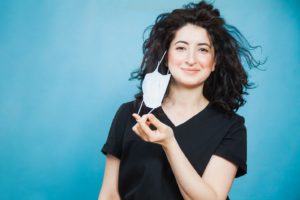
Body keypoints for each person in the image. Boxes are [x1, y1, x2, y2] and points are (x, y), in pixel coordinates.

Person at [98, 1, 262, 199]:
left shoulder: (231, 127)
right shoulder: (130, 113)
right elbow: (109, 194)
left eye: (203, 50)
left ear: (214, 62)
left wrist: (169, 144)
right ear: (166, 57)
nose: (191, 59)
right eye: (181, 48)